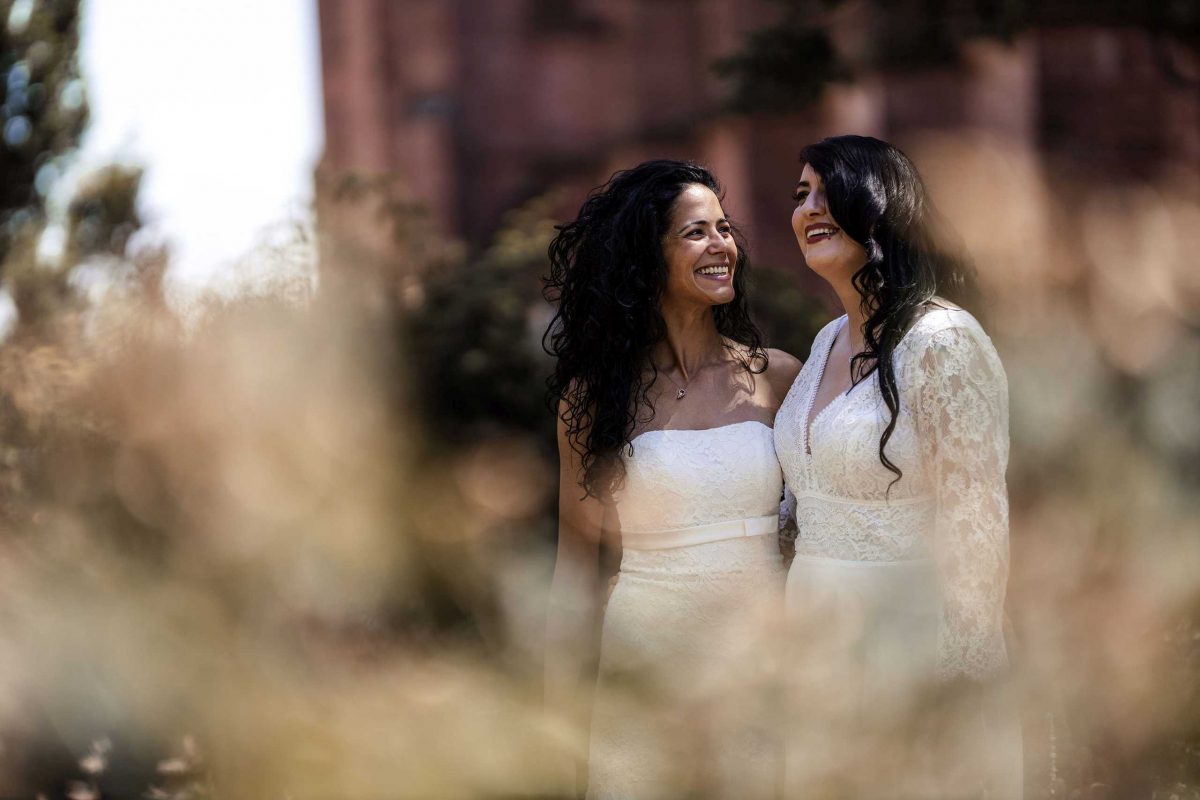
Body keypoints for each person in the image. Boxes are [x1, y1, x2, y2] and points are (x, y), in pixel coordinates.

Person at [543, 160, 801, 799]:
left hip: (758, 656)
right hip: (644, 658)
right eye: (696, 233)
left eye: (724, 228)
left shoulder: (778, 377)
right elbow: (575, 568)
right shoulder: (591, 400)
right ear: (644, 257)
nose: (722, 246)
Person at [774, 135, 1022, 798]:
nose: (809, 208)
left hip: (906, 639)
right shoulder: (827, 338)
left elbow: (977, 517)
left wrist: (963, 679)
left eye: (828, 191)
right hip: (817, 640)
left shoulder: (942, 342)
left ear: (883, 208)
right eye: (801, 195)